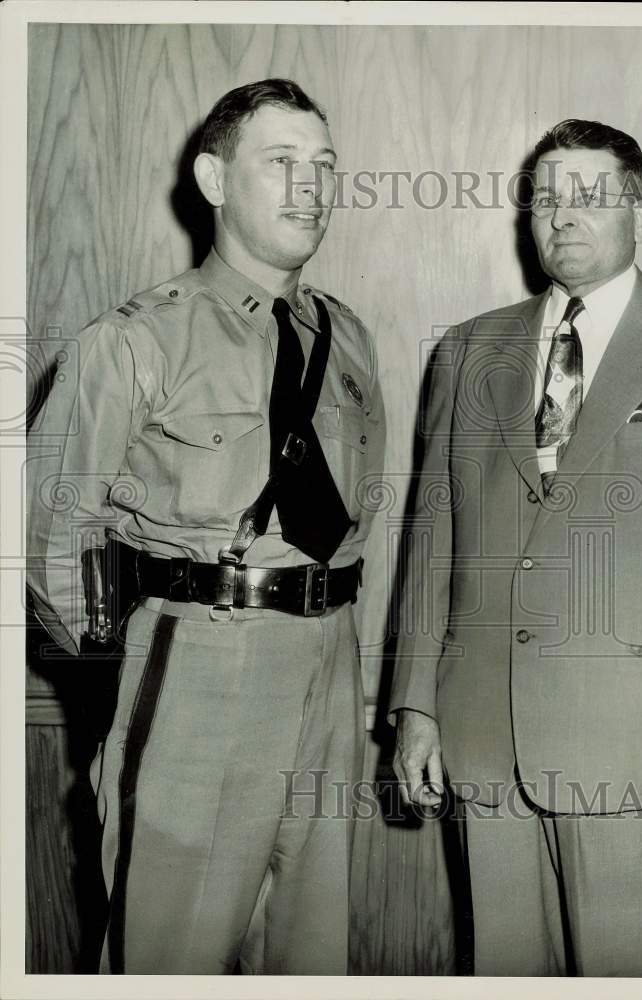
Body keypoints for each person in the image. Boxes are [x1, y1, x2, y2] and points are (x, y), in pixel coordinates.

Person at [390, 119, 642, 976]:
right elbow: (432, 539)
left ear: (639, 212)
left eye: (589, 195)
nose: (561, 216)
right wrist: (417, 706)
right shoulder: (468, 348)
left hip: (634, 745)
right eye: (544, 198)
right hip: (482, 733)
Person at [27, 78, 385, 974]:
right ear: (215, 180)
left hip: (332, 666)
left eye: (325, 166)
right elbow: (40, 535)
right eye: (282, 162)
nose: (312, 186)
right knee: (170, 951)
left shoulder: (349, 337)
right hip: (200, 662)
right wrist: (127, 670)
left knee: (312, 948)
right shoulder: (136, 340)